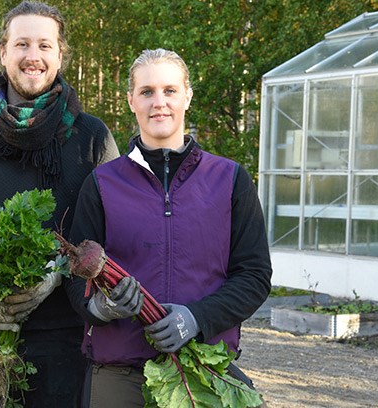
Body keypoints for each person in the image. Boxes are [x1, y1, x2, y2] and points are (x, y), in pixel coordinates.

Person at [0, 0, 119, 407]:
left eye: (45, 46)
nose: (34, 56)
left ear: (60, 55)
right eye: (23, 44)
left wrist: (59, 274)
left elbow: (112, 231)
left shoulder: (91, 138)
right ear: (4, 52)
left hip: (65, 340)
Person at [67, 48, 272, 407]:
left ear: (187, 96)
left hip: (204, 374)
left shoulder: (229, 179)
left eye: (170, 90)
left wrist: (197, 318)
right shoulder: (101, 183)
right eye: (146, 92)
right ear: (131, 100)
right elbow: (74, 278)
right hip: (119, 377)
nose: (158, 102)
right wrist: (102, 308)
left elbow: (254, 275)